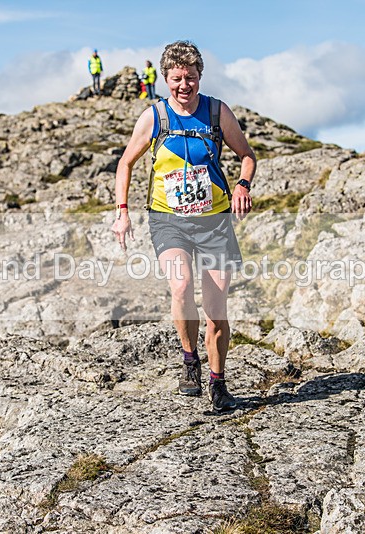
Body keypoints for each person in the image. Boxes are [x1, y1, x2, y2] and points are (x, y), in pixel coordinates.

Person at [111, 41, 256, 412]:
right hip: (168, 219)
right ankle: (190, 360)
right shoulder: (154, 117)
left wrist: (242, 185)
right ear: (165, 79)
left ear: (199, 76)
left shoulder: (217, 112)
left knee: (216, 309)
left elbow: (247, 156)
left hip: (214, 221)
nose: (184, 85)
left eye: (190, 77)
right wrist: (122, 211)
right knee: (181, 286)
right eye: (176, 79)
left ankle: (218, 383)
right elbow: (125, 164)